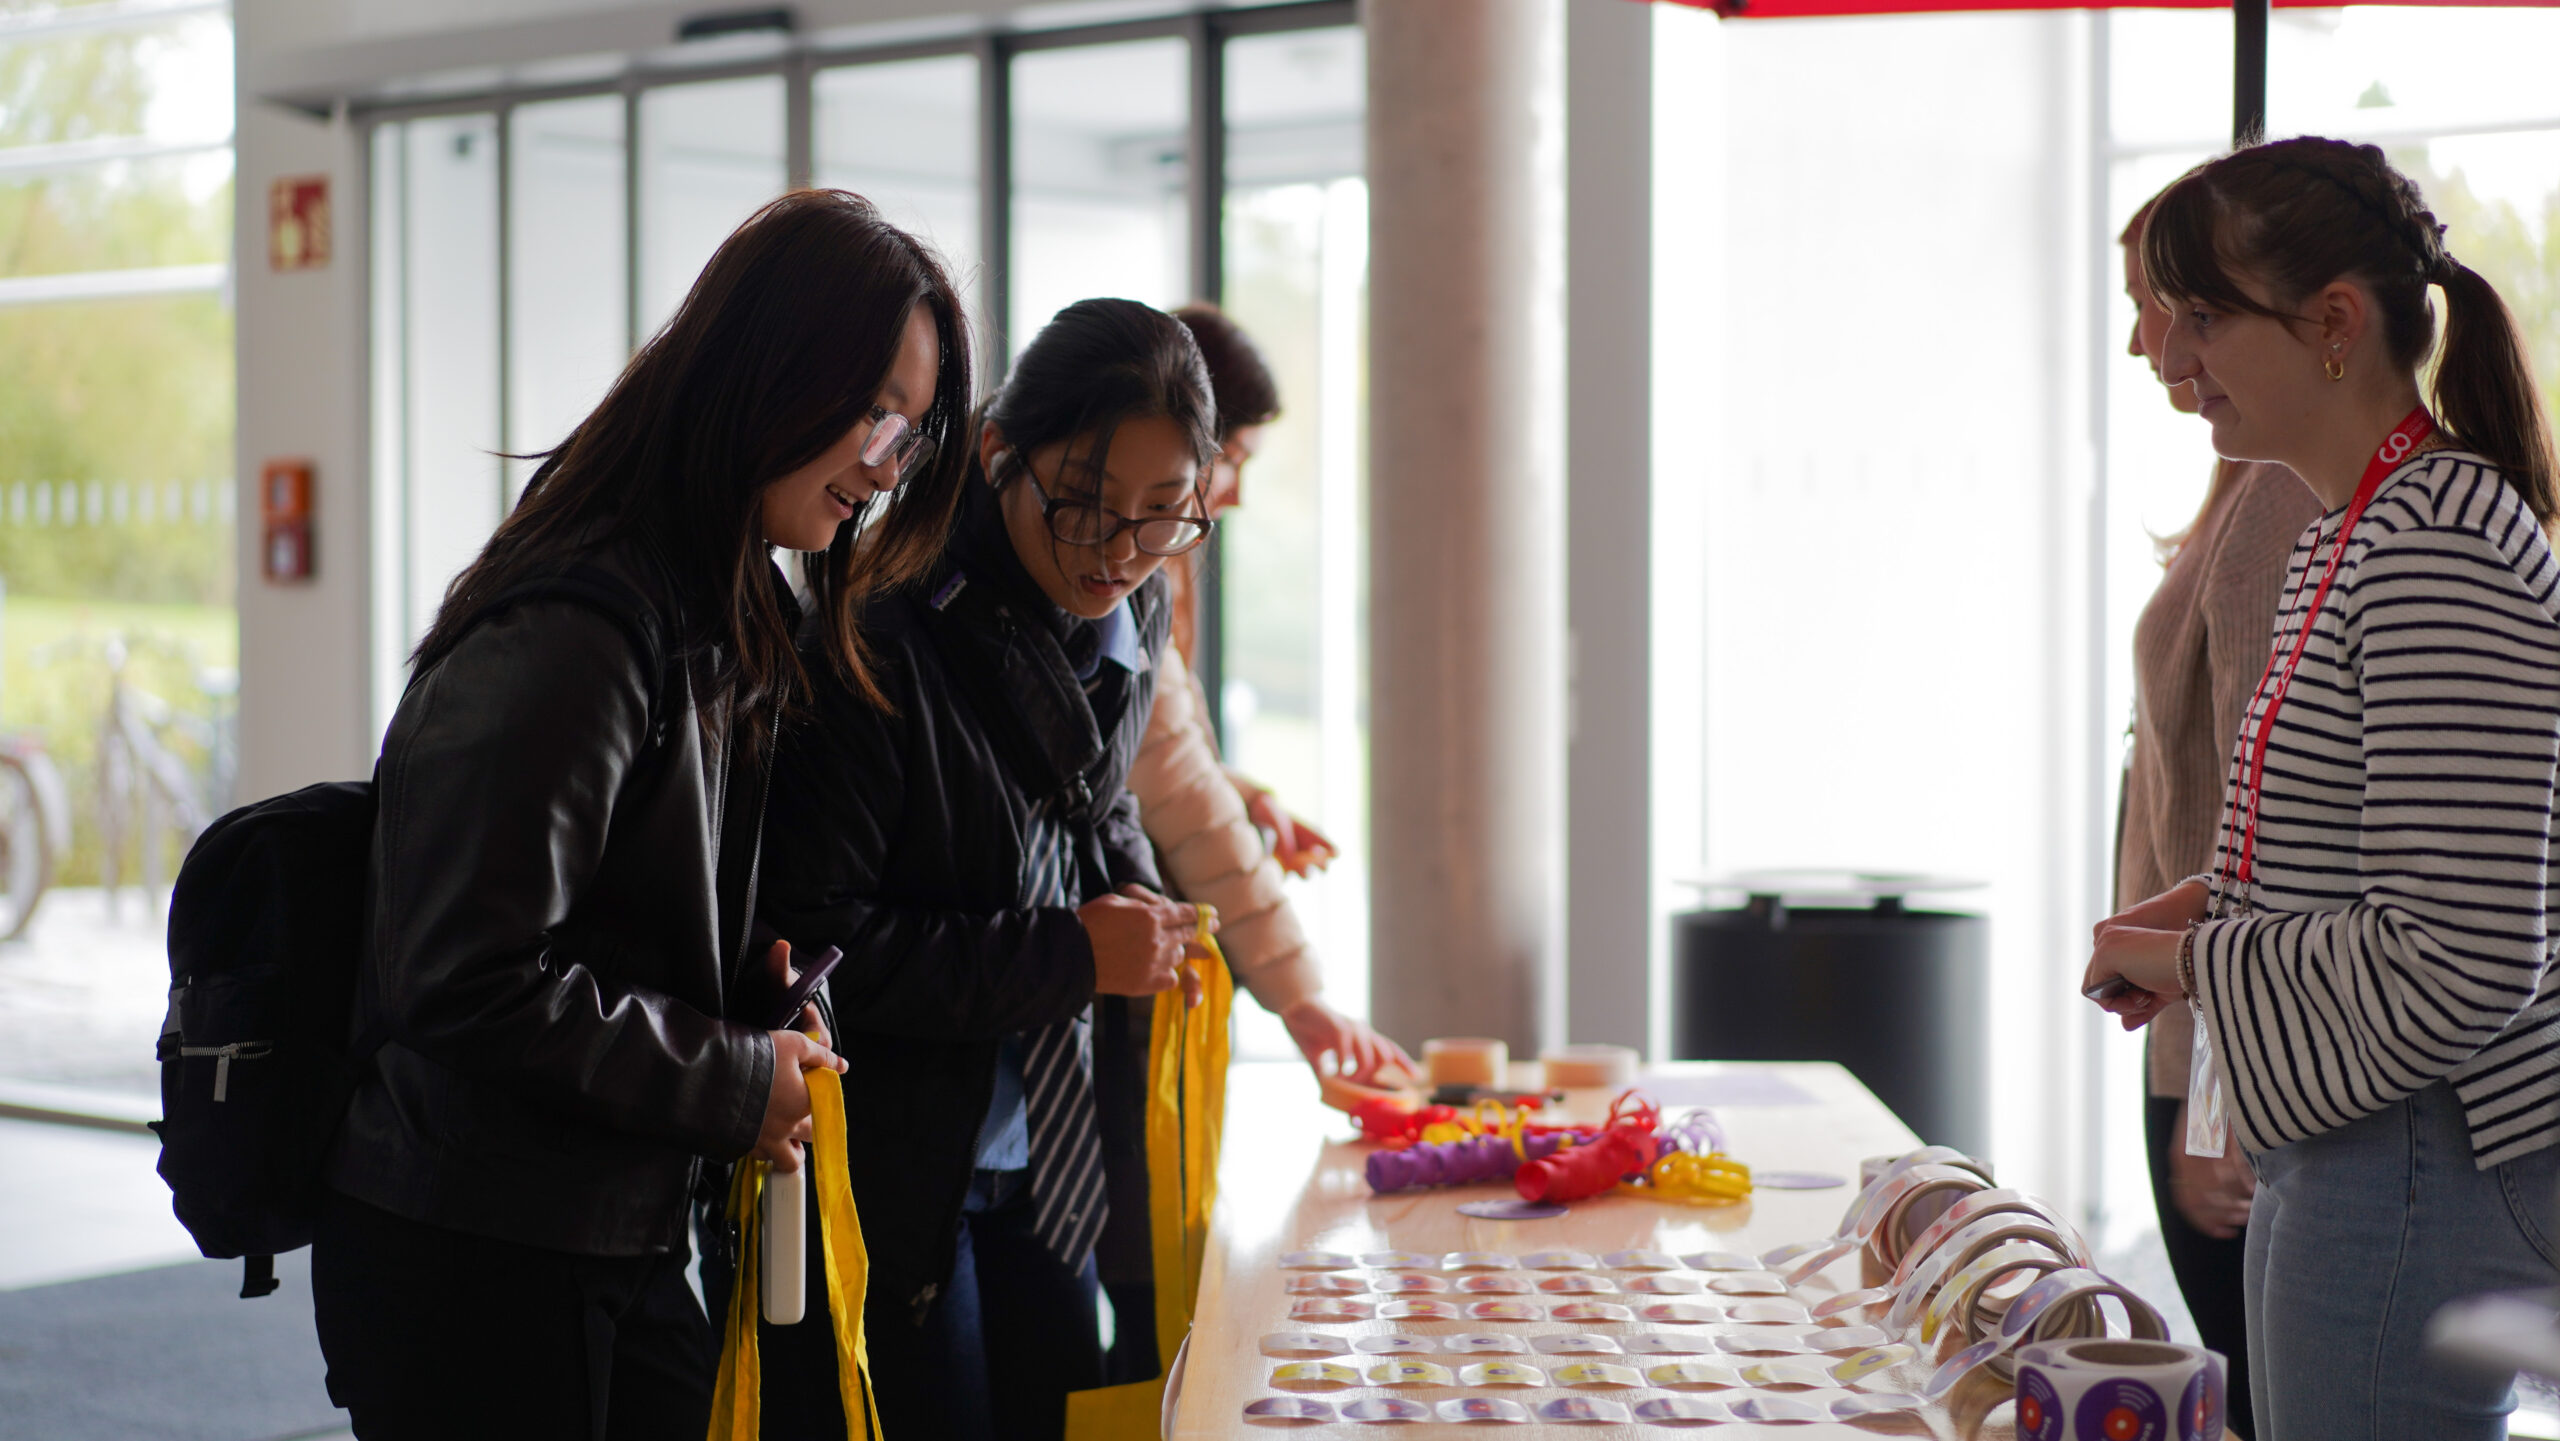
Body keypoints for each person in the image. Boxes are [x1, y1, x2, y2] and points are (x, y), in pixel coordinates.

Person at [309, 190, 972, 1440]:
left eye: (913, 431)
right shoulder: (583, 620)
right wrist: (730, 1077)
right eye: (875, 410)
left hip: (583, 1224)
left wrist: (742, 999)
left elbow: (603, 922)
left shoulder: (700, 604)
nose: (886, 466)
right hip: (480, 1248)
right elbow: (465, 980)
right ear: (771, 370)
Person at [2085, 137, 2560, 1441]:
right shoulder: (2351, 525)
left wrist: (2200, 965)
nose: (2165, 358)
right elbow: (2338, 863)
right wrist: (2196, 914)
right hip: (2357, 1150)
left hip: (2418, 1155)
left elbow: (2465, 956)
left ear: (2334, 324)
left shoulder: (2439, 543)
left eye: (2197, 317)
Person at [754, 298, 1216, 1441]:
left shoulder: (1138, 601)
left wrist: (1138, 901)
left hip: (1043, 1161)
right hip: (906, 1176)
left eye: (1163, 516)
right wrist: (1071, 953)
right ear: (1000, 453)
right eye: (1087, 508)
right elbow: (821, 954)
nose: (1119, 553)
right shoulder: (878, 635)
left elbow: (1090, 798)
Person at [2112, 191, 2320, 1441]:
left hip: (2220, 1046)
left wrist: (2212, 1102)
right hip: (2193, 1025)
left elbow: (2267, 830)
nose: (2145, 344)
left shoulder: (2282, 506)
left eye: (2170, 308)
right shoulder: (2242, 489)